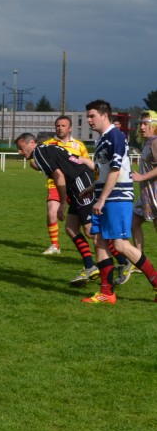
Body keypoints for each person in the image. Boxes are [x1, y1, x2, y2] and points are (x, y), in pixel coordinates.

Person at [82, 99, 157, 304]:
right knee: (98, 240)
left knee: (120, 245)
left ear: (105, 115)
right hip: (104, 196)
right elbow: (103, 171)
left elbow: (116, 169)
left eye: (92, 116)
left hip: (116, 197)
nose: (88, 120)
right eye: (87, 116)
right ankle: (107, 292)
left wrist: (103, 198)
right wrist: (92, 189)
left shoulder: (115, 136)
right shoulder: (101, 140)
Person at [15, 133, 98, 287]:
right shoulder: (47, 148)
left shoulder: (38, 153)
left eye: (21, 148)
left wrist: (62, 203)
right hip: (77, 183)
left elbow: (59, 176)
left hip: (80, 183)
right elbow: (74, 161)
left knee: (90, 230)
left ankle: (122, 258)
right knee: (71, 228)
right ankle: (89, 266)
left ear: (32, 143)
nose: (20, 152)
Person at [39, 116, 90, 256]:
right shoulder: (49, 144)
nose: (60, 128)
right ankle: (55, 245)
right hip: (55, 184)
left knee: (86, 227)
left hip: (75, 186)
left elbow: (87, 164)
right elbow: (36, 161)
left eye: (63, 125)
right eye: (58, 126)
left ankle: (106, 247)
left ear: (70, 128)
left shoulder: (79, 145)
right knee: (51, 214)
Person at [122, 110, 157, 285]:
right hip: (145, 195)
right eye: (140, 124)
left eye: (146, 124)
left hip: (155, 195)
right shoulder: (147, 143)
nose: (142, 127)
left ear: (154, 125)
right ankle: (138, 259)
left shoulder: (155, 142)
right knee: (134, 223)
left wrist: (141, 177)